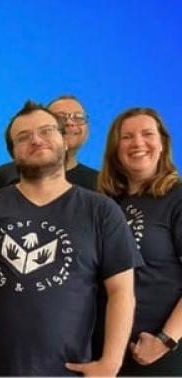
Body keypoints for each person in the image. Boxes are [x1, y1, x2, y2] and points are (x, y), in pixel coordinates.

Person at [0, 100, 141, 376]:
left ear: (63, 139)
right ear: (13, 153)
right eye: (23, 137)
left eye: (46, 131)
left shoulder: (102, 211)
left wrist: (111, 362)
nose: (36, 140)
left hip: (69, 370)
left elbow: (121, 291)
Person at [99, 108, 182, 375]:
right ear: (115, 148)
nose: (138, 143)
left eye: (147, 134)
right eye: (127, 137)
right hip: (104, 351)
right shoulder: (105, 204)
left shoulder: (177, 198)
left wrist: (165, 340)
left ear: (162, 144)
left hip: (155, 352)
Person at [0, 95, 99, 192]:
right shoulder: (5, 175)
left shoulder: (100, 182)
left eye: (78, 117)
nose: (70, 123)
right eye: (60, 117)